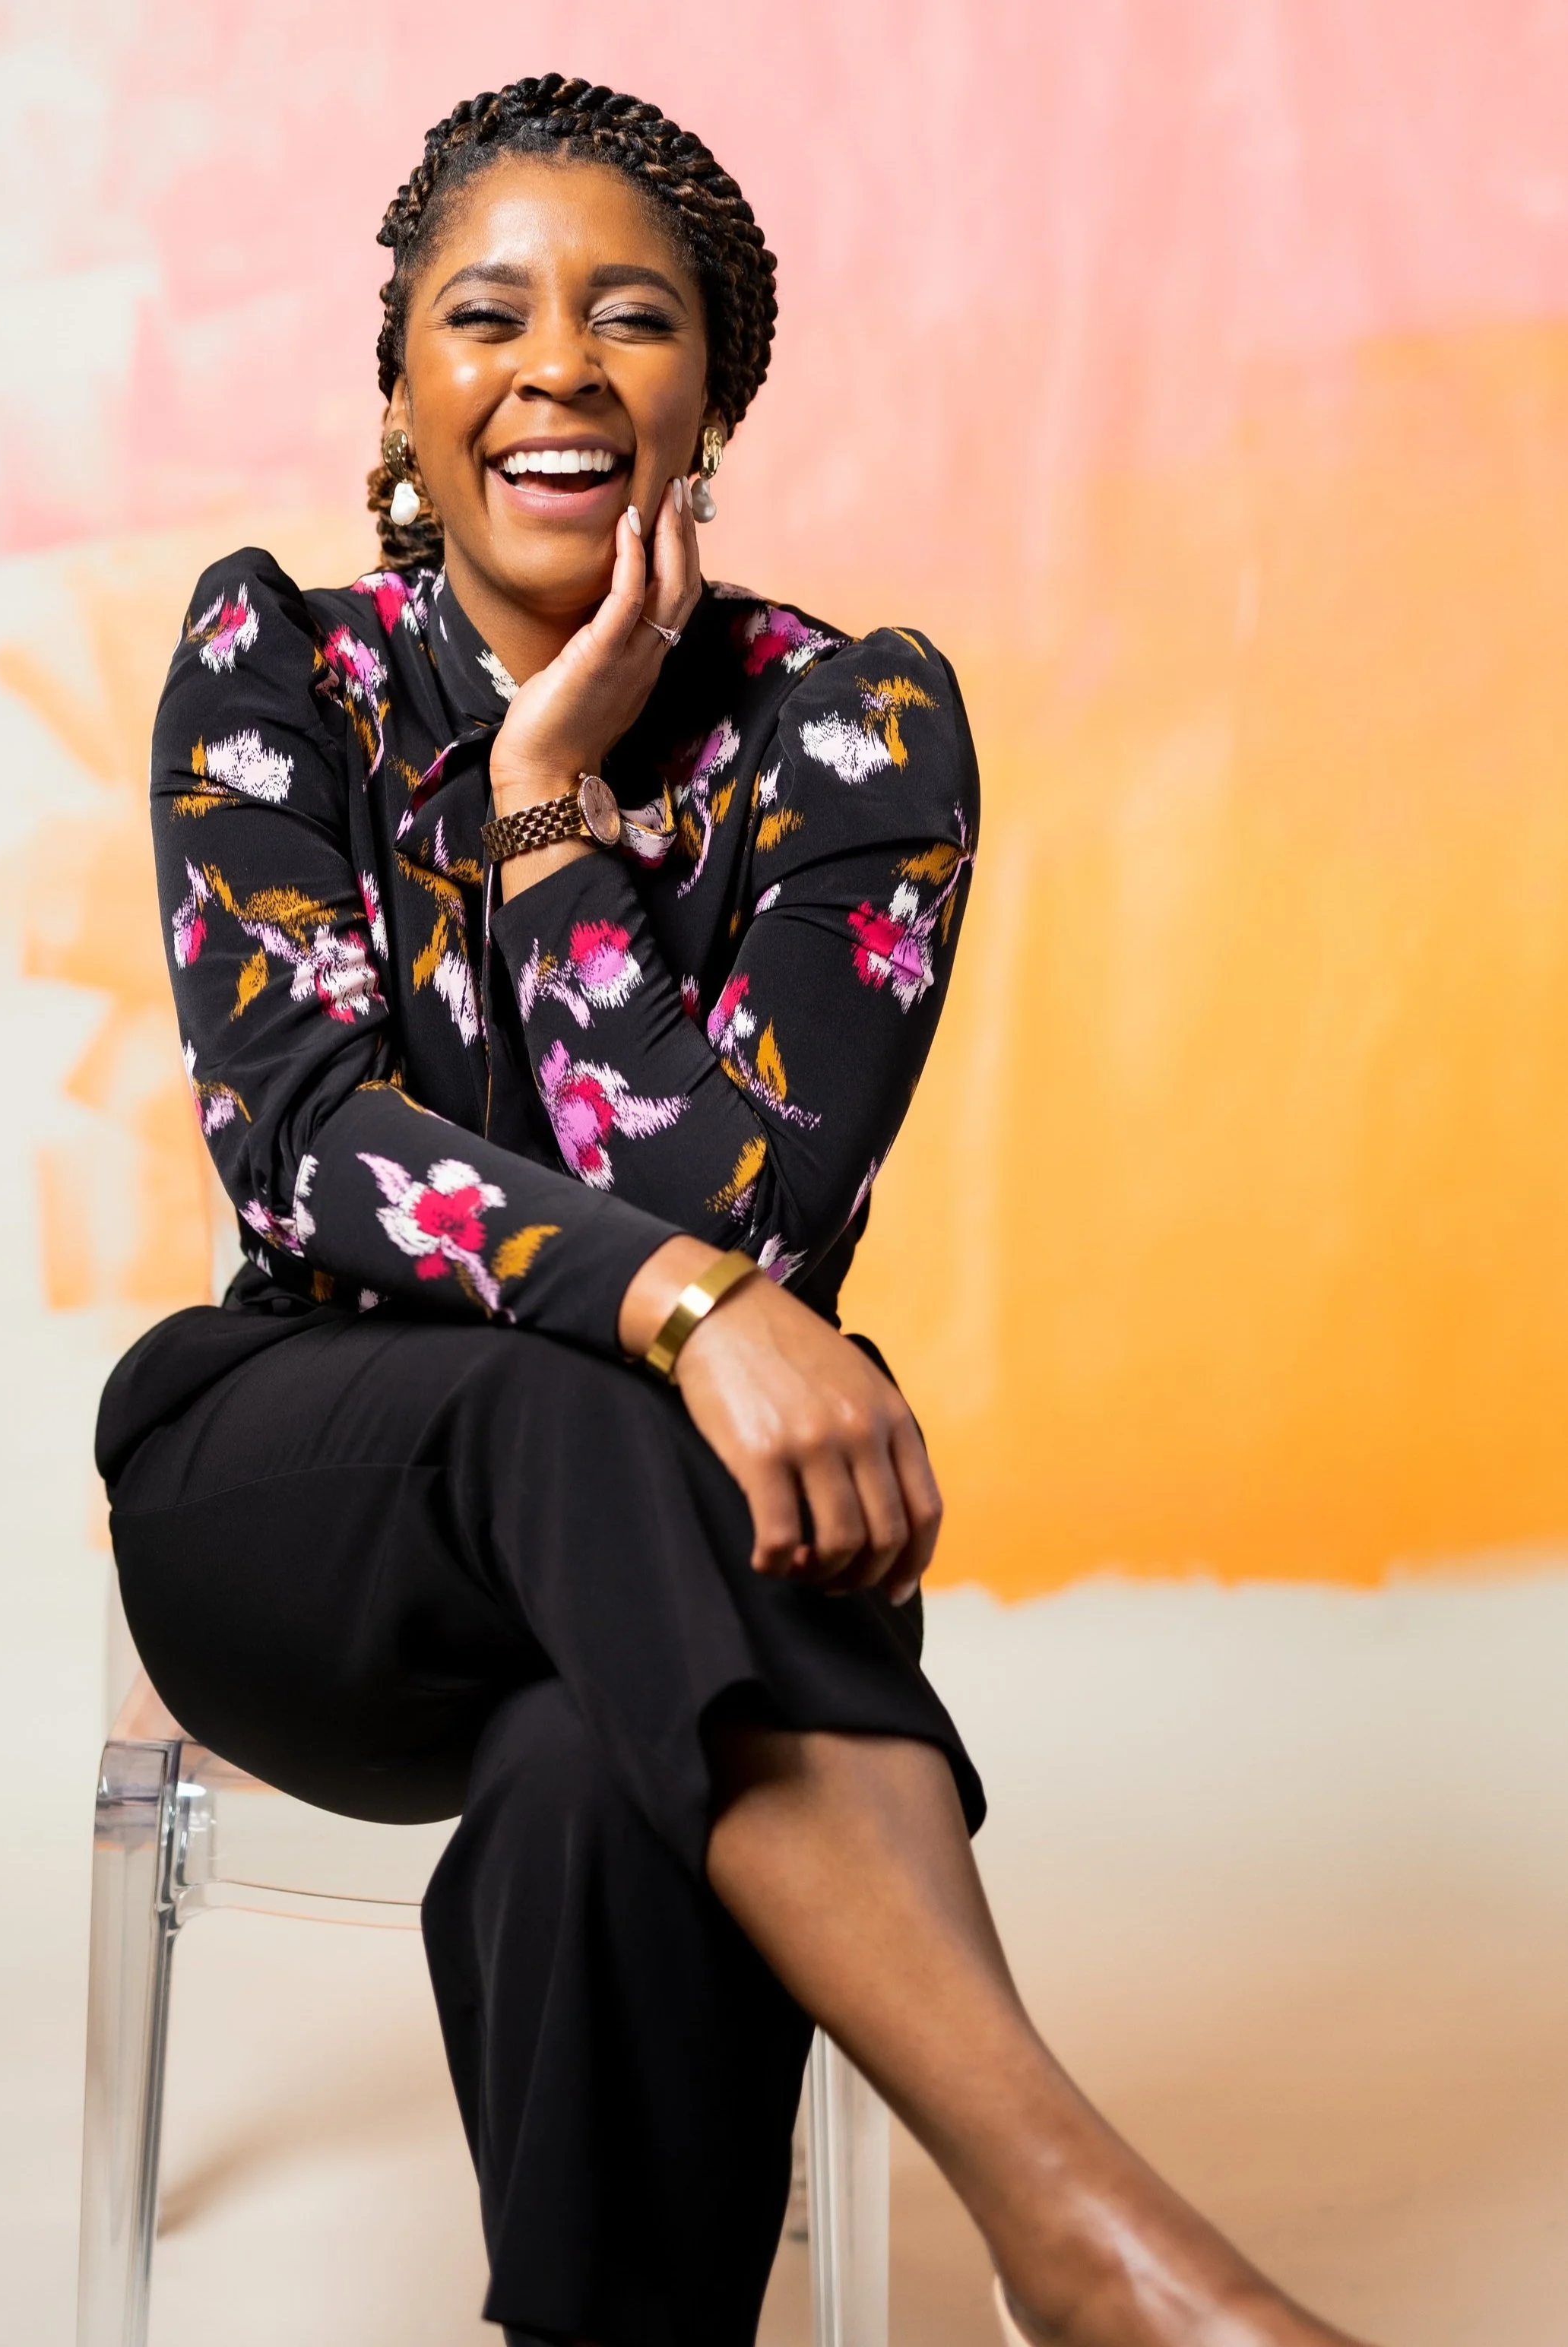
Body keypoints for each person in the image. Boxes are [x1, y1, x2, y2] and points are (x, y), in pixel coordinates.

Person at [95, 74, 1376, 2347]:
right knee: (562, 1407)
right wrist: (680, 1308)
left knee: (605, 1782)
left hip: (692, 1546)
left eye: (633, 318)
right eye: (486, 315)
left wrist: (547, 811)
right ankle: (1083, 2230)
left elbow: (766, 1224)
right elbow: (304, 1139)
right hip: (310, 1505)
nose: (559, 367)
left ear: (717, 393)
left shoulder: (852, 728)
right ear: (400, 392)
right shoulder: (275, 663)